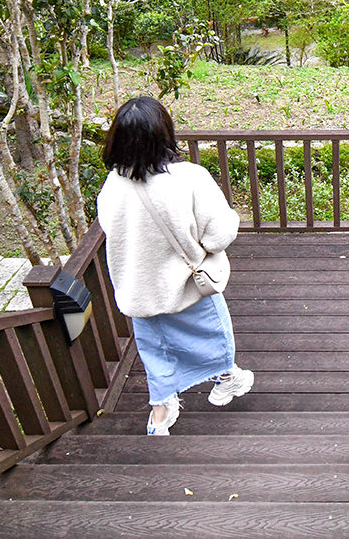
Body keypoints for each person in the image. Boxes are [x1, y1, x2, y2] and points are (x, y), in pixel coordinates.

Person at [96, 96, 253, 435]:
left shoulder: (112, 186)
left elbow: (114, 230)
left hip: (139, 291)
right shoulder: (190, 178)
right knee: (214, 334)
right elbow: (217, 236)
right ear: (164, 134)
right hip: (187, 284)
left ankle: (160, 414)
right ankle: (227, 378)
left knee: (156, 353)